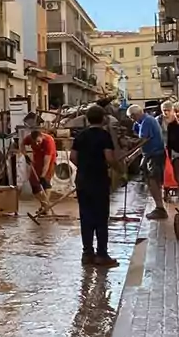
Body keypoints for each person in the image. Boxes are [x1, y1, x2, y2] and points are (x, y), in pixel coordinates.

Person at [71, 103, 119, 267]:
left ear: (86, 119)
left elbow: (72, 157)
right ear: (104, 118)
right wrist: (119, 170)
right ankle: (102, 255)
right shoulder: (104, 136)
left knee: (85, 217)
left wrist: (84, 167)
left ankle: (87, 254)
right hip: (99, 180)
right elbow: (110, 158)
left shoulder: (80, 136)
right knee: (100, 217)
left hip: (83, 181)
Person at [128, 103, 168, 220]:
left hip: (154, 155)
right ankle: (158, 207)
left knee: (153, 180)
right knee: (151, 181)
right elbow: (144, 144)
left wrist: (131, 151)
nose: (132, 120)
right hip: (151, 154)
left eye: (132, 117)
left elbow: (142, 142)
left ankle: (160, 208)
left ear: (136, 114)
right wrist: (131, 156)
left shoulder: (146, 122)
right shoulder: (146, 121)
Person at [23, 124, 58, 220]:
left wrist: (42, 176)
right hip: (37, 160)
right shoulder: (29, 138)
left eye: (38, 141)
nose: (37, 144)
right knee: (34, 183)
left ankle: (45, 208)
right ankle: (45, 205)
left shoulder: (49, 142)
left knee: (45, 183)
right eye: (35, 142)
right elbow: (21, 144)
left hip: (49, 161)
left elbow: (46, 163)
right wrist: (25, 155)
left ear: (42, 137)